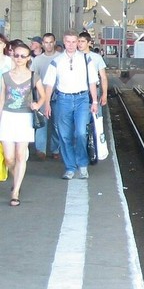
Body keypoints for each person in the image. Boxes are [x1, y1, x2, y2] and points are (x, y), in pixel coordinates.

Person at [42, 29, 99, 180]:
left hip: (82, 99)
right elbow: (50, 84)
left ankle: (82, 164)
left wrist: (94, 101)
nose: (71, 45)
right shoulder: (57, 61)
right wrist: (46, 103)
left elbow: (93, 81)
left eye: (74, 41)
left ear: (78, 42)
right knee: (65, 135)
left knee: (81, 132)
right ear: (63, 42)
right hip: (63, 100)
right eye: (68, 41)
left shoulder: (87, 59)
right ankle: (70, 167)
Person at [0, 42, 47, 206]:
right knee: (9, 158)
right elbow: (2, 98)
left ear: (28, 58)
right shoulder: (5, 75)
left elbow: (42, 96)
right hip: (7, 116)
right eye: (16, 55)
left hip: (24, 118)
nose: (18, 58)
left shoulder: (34, 76)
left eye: (22, 56)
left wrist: (37, 104)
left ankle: (15, 191)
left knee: (21, 155)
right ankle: (16, 179)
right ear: (12, 56)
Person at [30, 33, 62, 159]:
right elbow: (33, 78)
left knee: (56, 124)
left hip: (58, 96)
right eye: (46, 42)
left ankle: (56, 149)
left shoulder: (60, 58)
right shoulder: (38, 60)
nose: (48, 45)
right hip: (42, 96)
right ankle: (40, 150)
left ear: (54, 43)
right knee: (42, 122)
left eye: (51, 42)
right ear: (42, 44)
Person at [78, 32, 108, 110]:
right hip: (79, 90)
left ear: (89, 43)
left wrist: (105, 94)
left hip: (94, 89)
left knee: (95, 114)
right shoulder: (74, 57)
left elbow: (103, 77)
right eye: (79, 41)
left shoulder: (97, 57)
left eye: (83, 41)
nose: (80, 44)